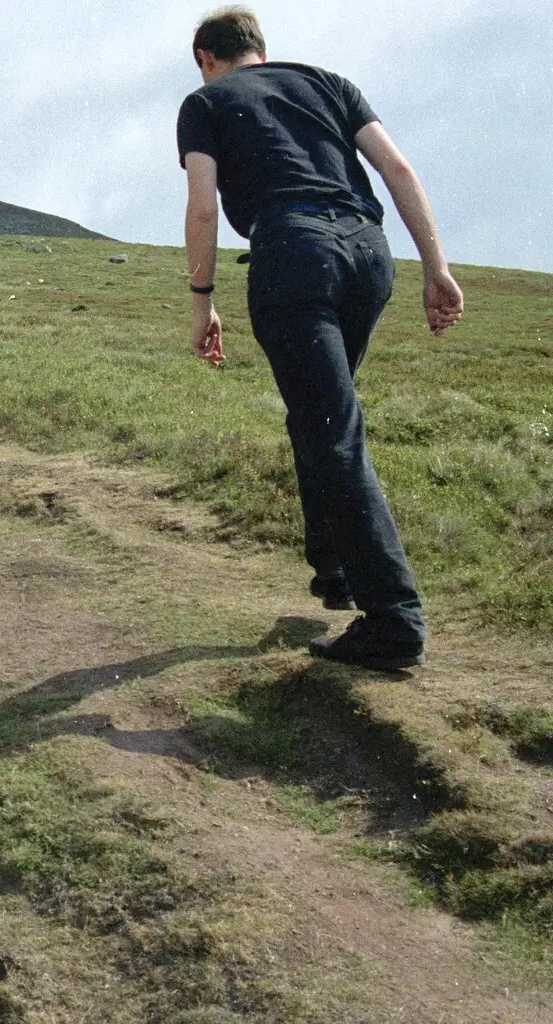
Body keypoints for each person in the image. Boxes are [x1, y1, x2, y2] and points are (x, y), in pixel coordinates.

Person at [177, 6, 463, 670]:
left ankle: (394, 622)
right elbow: (398, 171)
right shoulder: (330, 82)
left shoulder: (206, 100)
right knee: (324, 416)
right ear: (261, 49)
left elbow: (200, 204)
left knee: (331, 429)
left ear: (205, 56)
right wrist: (437, 268)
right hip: (369, 255)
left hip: (293, 256)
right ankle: (335, 571)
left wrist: (202, 303)